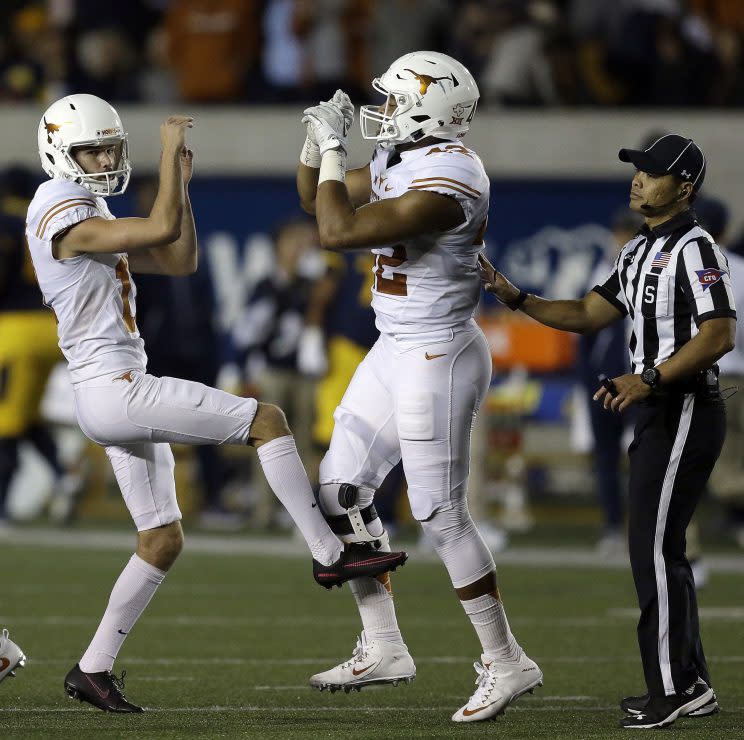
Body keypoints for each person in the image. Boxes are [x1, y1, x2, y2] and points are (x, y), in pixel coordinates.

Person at [27, 93, 407, 713]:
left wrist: (178, 182)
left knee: (162, 539)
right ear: (58, 154)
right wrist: (170, 151)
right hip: (116, 389)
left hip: (112, 388)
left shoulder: (84, 205)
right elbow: (157, 229)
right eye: (92, 149)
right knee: (268, 420)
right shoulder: (56, 206)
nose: (105, 158)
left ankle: (92, 668)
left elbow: (180, 258)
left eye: (109, 146)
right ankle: (329, 554)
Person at [297, 52, 542, 723]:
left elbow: (335, 229)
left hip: (439, 351)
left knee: (440, 512)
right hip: (396, 345)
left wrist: (334, 147)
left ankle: (507, 659)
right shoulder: (405, 152)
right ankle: (383, 647)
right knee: (338, 490)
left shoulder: (451, 176)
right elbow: (317, 200)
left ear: (430, 108)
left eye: (395, 100)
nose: (385, 111)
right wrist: (314, 143)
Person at [479, 133, 733, 730]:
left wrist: (648, 377)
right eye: (638, 170)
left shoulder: (696, 249)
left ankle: (673, 689)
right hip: (661, 407)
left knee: (652, 548)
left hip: (685, 406)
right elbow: (587, 314)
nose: (639, 179)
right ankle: (688, 681)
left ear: (685, 187)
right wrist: (514, 295)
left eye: (653, 172)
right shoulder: (639, 250)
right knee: (659, 548)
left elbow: (719, 333)